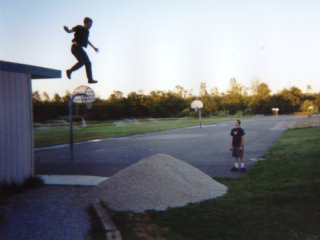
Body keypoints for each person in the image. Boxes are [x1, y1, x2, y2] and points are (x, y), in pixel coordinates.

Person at [64, 17, 99, 84]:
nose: (91, 26)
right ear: (86, 23)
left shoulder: (87, 32)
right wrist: (67, 30)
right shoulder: (79, 27)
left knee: (88, 63)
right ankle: (70, 71)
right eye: (90, 24)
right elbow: (70, 31)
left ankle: (90, 79)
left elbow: (87, 41)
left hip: (80, 48)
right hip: (75, 47)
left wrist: (94, 48)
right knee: (82, 62)